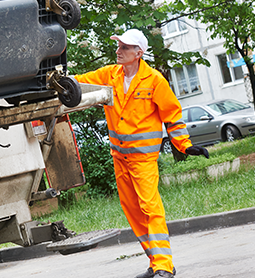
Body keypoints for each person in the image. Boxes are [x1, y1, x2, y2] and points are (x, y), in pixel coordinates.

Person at [73, 29, 209, 278]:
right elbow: (78, 82)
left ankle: (164, 266)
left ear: (139, 52)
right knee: (133, 211)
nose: (118, 51)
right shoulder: (109, 74)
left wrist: (184, 145)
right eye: (118, 46)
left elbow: (172, 115)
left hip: (143, 159)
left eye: (124, 47)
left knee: (150, 208)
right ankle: (156, 261)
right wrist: (56, 80)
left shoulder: (154, 80)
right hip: (119, 158)